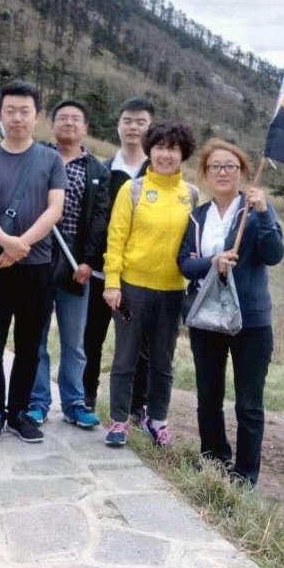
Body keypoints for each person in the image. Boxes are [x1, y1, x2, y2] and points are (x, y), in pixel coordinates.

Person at [178, 139, 284, 486]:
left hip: (250, 320)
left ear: (243, 172)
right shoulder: (197, 216)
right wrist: (213, 261)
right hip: (206, 316)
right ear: (205, 173)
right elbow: (184, 263)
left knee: (249, 402)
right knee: (208, 395)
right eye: (216, 166)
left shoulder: (255, 211)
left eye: (231, 166)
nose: (223, 172)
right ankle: (214, 457)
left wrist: (264, 213)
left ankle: (245, 474)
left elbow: (273, 255)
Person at [0, 81, 66, 445]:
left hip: (37, 266)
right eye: (10, 110)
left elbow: (55, 209)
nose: (18, 118)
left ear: (36, 117)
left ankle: (19, 413)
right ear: (1, 113)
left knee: (29, 346)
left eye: (25, 111)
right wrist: (6, 243)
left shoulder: (50, 159)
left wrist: (21, 245)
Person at [102, 121, 197, 448]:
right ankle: (118, 421)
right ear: (149, 150)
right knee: (125, 357)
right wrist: (112, 282)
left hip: (172, 292)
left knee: (162, 361)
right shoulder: (133, 189)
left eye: (173, 148)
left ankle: (157, 420)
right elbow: (116, 238)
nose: (166, 155)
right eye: (159, 147)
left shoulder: (190, 194)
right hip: (131, 290)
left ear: (183, 153)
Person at [28, 99, 110, 428]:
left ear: (85, 128)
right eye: (62, 118)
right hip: (38, 259)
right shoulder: (38, 157)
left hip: (76, 265)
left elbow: (100, 219)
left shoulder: (97, 170)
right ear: (52, 125)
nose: (69, 123)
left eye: (76, 118)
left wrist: (89, 261)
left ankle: (74, 402)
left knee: (74, 341)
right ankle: (37, 401)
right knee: (35, 337)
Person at [83, 97, 154, 425]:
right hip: (101, 271)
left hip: (139, 274)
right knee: (91, 338)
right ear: (118, 125)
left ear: (150, 128)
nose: (133, 127)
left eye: (141, 122)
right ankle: (86, 395)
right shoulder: (102, 169)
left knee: (139, 344)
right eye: (128, 121)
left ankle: (137, 405)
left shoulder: (157, 172)